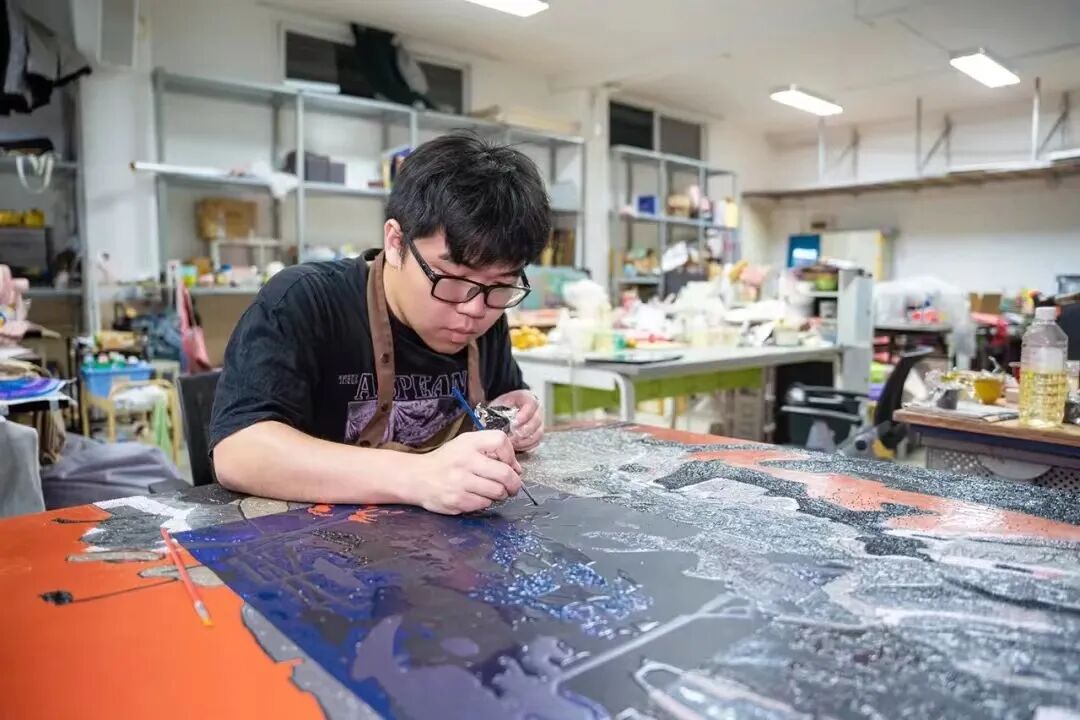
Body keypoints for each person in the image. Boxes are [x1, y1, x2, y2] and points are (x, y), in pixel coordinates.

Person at [210, 134, 550, 514]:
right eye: (452, 280)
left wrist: (513, 415)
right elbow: (238, 451)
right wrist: (418, 477)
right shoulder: (305, 301)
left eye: (500, 285)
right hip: (319, 535)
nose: (473, 309)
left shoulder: (486, 310)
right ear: (395, 242)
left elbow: (501, 399)